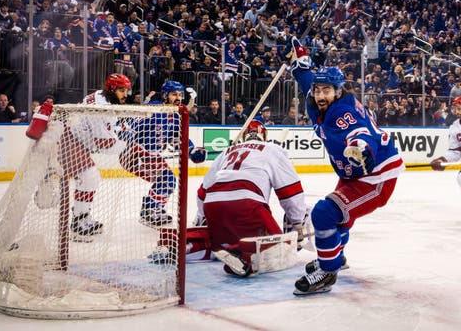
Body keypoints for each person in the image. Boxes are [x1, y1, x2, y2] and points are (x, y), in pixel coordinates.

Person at [288, 38, 404, 295]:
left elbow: (360, 133)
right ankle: (335, 257)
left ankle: (328, 273)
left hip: (375, 176)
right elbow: (305, 78)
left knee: (324, 214)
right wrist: (299, 61)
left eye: (326, 91)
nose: (320, 95)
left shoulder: (343, 113)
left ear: (338, 91)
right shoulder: (314, 97)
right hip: (353, 172)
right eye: (319, 90)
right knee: (339, 217)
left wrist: (361, 148)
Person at [152, 120, 309, 276]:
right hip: (247, 205)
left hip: (213, 205)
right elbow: (290, 190)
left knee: (217, 241)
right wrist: (297, 221)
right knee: (281, 249)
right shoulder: (273, 149)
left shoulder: (227, 151)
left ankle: (178, 243)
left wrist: (201, 219)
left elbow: (203, 190)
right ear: (264, 136)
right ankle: (240, 255)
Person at [118, 80, 207, 228]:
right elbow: (129, 125)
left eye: (180, 95)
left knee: (167, 180)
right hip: (135, 154)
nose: (178, 98)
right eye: (174, 94)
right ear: (165, 95)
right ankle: (150, 210)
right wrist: (128, 139)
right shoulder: (154, 110)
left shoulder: (175, 115)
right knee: (167, 179)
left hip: (151, 156)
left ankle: (153, 208)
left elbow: (177, 139)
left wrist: (191, 151)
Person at [59, 73, 131, 238]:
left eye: (126, 90)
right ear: (112, 89)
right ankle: (78, 222)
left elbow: (103, 133)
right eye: (121, 90)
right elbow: (103, 144)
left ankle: (81, 217)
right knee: (90, 176)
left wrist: (119, 132)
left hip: (73, 137)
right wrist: (127, 146)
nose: (125, 94)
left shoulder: (101, 96)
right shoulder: (101, 108)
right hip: (67, 138)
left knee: (90, 178)